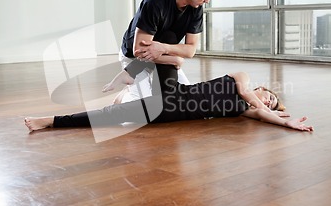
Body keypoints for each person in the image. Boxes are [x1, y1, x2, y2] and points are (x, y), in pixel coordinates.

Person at [24, 60, 314, 133]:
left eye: (272, 103)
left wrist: (285, 122)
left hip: (167, 113)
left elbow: (260, 113)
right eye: (270, 96)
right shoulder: (244, 81)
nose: (267, 101)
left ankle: (48, 121)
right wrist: (274, 110)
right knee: (169, 58)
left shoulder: (243, 109)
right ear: (263, 89)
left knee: (107, 118)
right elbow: (251, 96)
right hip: (175, 93)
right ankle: (128, 75)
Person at [109, 0, 222, 102]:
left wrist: (164, 48)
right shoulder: (155, 2)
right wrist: (173, 59)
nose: (207, 1)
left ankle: (139, 88)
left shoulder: (196, 9)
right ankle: (124, 96)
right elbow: (139, 51)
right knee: (142, 108)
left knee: (188, 100)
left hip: (163, 54)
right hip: (135, 59)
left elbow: (190, 50)